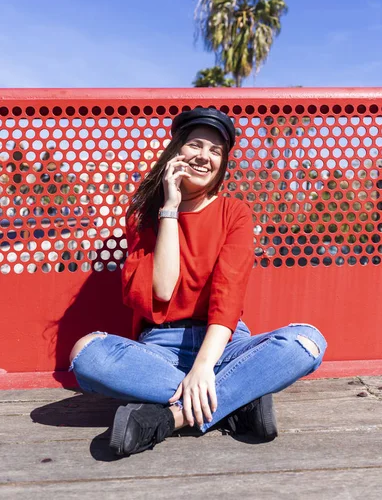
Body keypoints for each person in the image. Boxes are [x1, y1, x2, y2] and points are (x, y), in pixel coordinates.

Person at [69, 107, 327, 456]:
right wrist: (170, 208)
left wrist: (205, 366)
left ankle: (165, 420)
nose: (205, 157)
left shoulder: (233, 212)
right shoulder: (144, 215)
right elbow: (162, 291)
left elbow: (228, 295)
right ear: (177, 150)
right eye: (196, 145)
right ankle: (237, 403)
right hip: (160, 349)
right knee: (87, 355)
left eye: (216, 151)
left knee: (308, 342)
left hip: (225, 344)